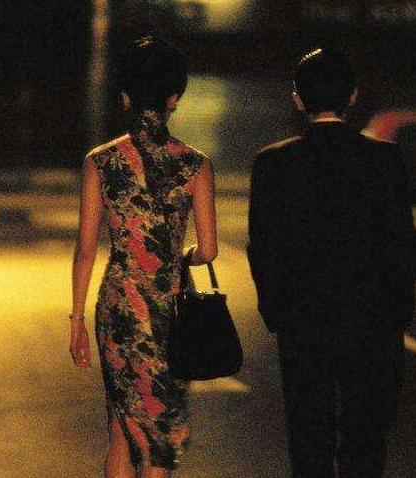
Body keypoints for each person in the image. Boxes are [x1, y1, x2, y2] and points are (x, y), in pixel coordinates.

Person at [247, 48, 415, 478]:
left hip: (303, 319)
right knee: (366, 438)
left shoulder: (273, 163)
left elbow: (263, 246)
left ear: (298, 98)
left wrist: (276, 311)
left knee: (310, 436)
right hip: (373, 319)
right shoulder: (386, 160)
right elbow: (401, 244)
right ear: (353, 96)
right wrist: (398, 312)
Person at [69, 36, 218, 478]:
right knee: (159, 435)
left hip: (118, 308)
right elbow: (208, 250)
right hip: (169, 311)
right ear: (174, 99)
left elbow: (85, 249)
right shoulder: (195, 165)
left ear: (125, 96)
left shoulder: (101, 161)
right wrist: (179, 253)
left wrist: (76, 320)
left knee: (121, 428)